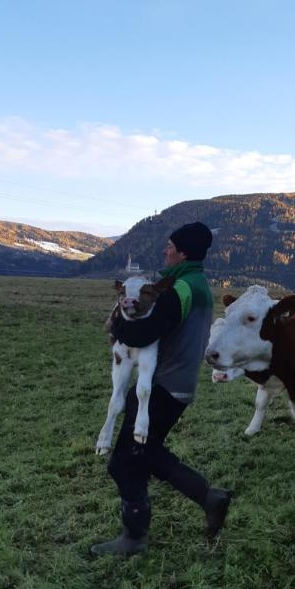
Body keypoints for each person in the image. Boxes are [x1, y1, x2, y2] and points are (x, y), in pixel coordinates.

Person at [90, 221, 231, 557]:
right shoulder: (195, 283)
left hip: (163, 384)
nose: (165, 251)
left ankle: (138, 536)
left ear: (182, 251)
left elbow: (142, 333)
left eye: (169, 246)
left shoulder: (182, 287)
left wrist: (117, 321)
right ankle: (195, 504)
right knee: (138, 454)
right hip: (174, 383)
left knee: (125, 460)